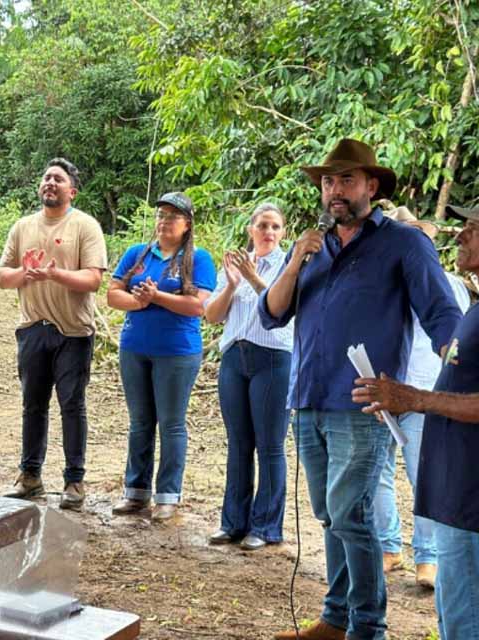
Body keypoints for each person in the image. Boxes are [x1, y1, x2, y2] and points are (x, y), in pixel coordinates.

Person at [261, 139, 462, 640]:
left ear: (371, 186)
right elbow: (272, 312)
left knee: (350, 511)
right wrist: (293, 262)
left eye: (347, 180)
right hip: (308, 399)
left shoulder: (403, 243)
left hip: (364, 403)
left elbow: (442, 315)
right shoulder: (311, 246)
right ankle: (336, 617)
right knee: (331, 514)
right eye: (329, 181)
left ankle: (368, 627)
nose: (335, 190)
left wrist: (462, 369)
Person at [353, 203, 479, 640]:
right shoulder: (475, 307)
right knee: (453, 613)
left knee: (467, 617)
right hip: (457, 492)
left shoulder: (458, 298)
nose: (459, 237)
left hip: (472, 499)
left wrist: (416, 398)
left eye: (472, 228)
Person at [0, 158, 107, 510]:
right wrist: (26, 274)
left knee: (72, 406)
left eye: (58, 180)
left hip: (73, 331)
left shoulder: (84, 226)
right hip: (32, 328)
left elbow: (93, 279)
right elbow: (2, 277)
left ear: (71, 191)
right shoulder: (22, 226)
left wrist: (55, 275)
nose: (50, 183)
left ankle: (74, 481)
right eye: (46, 178)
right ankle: (30, 477)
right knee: (33, 405)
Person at [373, 206, 470, 588]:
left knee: (424, 476)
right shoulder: (380, 283)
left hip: (425, 391)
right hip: (383, 388)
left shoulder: (452, 284)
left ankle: (427, 557)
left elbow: (456, 344)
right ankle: (389, 546)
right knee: (377, 474)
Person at [108, 192, 216, 521]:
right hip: (135, 347)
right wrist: (139, 302)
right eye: (161, 215)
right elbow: (113, 294)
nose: (164, 221)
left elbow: (199, 306)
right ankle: (136, 492)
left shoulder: (198, 258)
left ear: (187, 225)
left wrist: (157, 297)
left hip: (176, 352)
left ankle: (167, 495)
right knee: (140, 422)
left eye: (172, 216)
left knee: (171, 423)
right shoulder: (137, 254)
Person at [203, 202, 293, 548]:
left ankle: (266, 526)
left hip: (272, 357)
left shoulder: (289, 266)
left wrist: (253, 278)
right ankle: (233, 523)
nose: (268, 233)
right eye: (262, 226)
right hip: (234, 358)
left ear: (283, 233)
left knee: (270, 445)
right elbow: (211, 315)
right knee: (238, 444)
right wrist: (230, 284)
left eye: (275, 227)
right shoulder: (236, 265)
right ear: (250, 229)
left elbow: (279, 308)